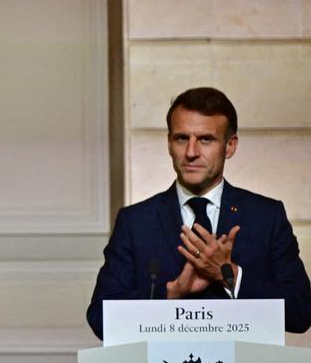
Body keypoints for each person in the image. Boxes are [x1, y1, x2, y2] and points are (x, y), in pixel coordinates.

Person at [87, 87, 311, 340]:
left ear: (229, 146)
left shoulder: (266, 217)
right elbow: (100, 318)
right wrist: (171, 292)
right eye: (182, 138)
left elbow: (301, 312)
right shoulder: (136, 221)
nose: (191, 152)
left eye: (205, 139)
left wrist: (229, 275)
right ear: (169, 144)